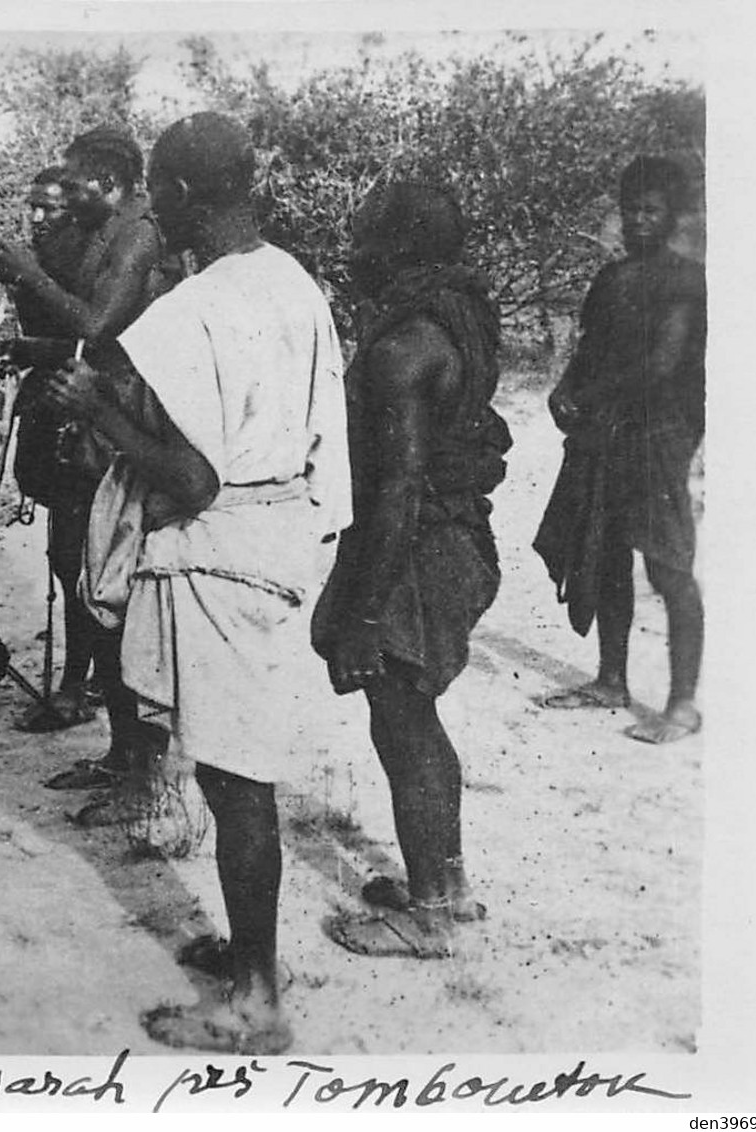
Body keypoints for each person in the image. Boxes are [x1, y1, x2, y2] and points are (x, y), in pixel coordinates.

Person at [34, 111, 349, 1053]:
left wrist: (96, 407)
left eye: (153, 195)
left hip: (221, 544)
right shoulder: (293, 280)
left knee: (237, 777)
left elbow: (193, 477)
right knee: (233, 766)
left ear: (168, 195)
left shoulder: (193, 308)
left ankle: (256, 1000)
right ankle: (253, 955)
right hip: (280, 536)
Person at [310, 182, 511, 958]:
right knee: (413, 715)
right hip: (446, 540)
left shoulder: (404, 348)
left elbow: (398, 489)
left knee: (402, 717)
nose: (352, 252)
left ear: (396, 250)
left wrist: (365, 612)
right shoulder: (454, 317)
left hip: (417, 552)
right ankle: (447, 888)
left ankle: (429, 911)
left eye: (363, 238)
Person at [0, 126, 174, 818]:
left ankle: (140, 775)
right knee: (90, 582)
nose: (64, 196)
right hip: (101, 420)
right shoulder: (108, 235)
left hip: (127, 429)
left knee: (113, 592)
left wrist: (31, 277)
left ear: (106, 181)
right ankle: (122, 759)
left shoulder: (140, 237)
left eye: (73, 184)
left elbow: (99, 329)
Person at [532, 156, 706, 745]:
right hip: (606, 431)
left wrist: (595, 397)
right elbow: (589, 349)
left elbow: (663, 365)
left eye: (650, 210)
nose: (637, 221)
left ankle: (682, 704)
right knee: (604, 550)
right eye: (630, 209)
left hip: (658, 433)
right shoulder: (612, 280)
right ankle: (611, 681)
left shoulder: (685, 281)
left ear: (673, 216)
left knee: (666, 564)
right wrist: (564, 391)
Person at [6, 166, 99, 732]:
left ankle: (73, 689)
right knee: (66, 558)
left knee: (75, 559)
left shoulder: (94, 267)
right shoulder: (41, 267)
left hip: (84, 426)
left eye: (51, 210)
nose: (38, 219)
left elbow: (98, 337)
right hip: (49, 418)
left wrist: (29, 348)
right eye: (33, 208)